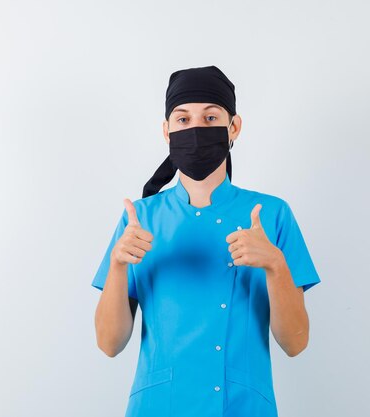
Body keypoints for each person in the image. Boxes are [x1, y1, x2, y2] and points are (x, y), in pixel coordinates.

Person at [91, 65, 321, 417]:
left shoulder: (271, 214)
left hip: (242, 407)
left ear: (234, 128)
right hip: (158, 407)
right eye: (183, 120)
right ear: (166, 132)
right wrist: (119, 266)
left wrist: (275, 264)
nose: (196, 128)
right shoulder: (140, 218)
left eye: (210, 117)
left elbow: (295, 343)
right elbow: (109, 344)